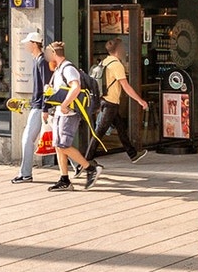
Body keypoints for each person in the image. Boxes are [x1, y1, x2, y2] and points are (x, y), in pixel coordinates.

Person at [42, 41, 97, 192]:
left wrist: (65, 104)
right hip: (60, 112)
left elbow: (76, 87)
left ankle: (90, 168)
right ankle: (64, 178)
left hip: (69, 113)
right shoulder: (59, 70)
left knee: (63, 145)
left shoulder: (68, 68)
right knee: (58, 146)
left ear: (54, 54)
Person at [86, 36, 149, 166]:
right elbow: (126, 86)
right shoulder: (116, 65)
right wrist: (140, 100)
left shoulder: (104, 62)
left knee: (120, 128)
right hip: (111, 104)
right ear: (118, 50)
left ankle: (133, 154)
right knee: (99, 132)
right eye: (122, 48)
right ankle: (86, 160)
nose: (124, 50)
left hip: (105, 100)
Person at [11, 32, 50, 184]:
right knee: (58, 141)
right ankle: (82, 166)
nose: (26, 45)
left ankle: (25, 173)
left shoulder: (41, 62)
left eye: (28, 43)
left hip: (40, 107)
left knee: (27, 139)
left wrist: (45, 108)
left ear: (34, 44)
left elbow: (47, 87)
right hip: (38, 105)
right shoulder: (37, 61)